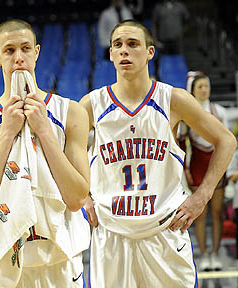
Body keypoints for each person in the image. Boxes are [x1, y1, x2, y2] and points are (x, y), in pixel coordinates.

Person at [80, 19, 236, 287]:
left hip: (165, 230)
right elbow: (63, 153)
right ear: (110, 54)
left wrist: (202, 195)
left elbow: (226, 140)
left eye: (133, 44)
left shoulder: (172, 99)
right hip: (112, 233)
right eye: (117, 45)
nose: (124, 51)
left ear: (150, 52)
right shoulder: (92, 104)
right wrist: (83, 197)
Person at [0, 19, 90, 287]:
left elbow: (77, 197)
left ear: (37, 52)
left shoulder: (71, 112)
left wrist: (44, 130)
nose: (18, 58)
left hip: (58, 258)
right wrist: (7, 133)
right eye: (9, 51)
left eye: (25, 49)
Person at [178, 71, 228, 271]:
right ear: (193, 90)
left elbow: (228, 143)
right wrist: (185, 171)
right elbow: (181, 144)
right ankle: (204, 255)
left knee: (217, 213)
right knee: (199, 213)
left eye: (206, 86)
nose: (205, 90)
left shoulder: (219, 111)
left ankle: (215, 255)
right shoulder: (187, 114)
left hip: (217, 166)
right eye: (200, 87)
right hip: (197, 166)